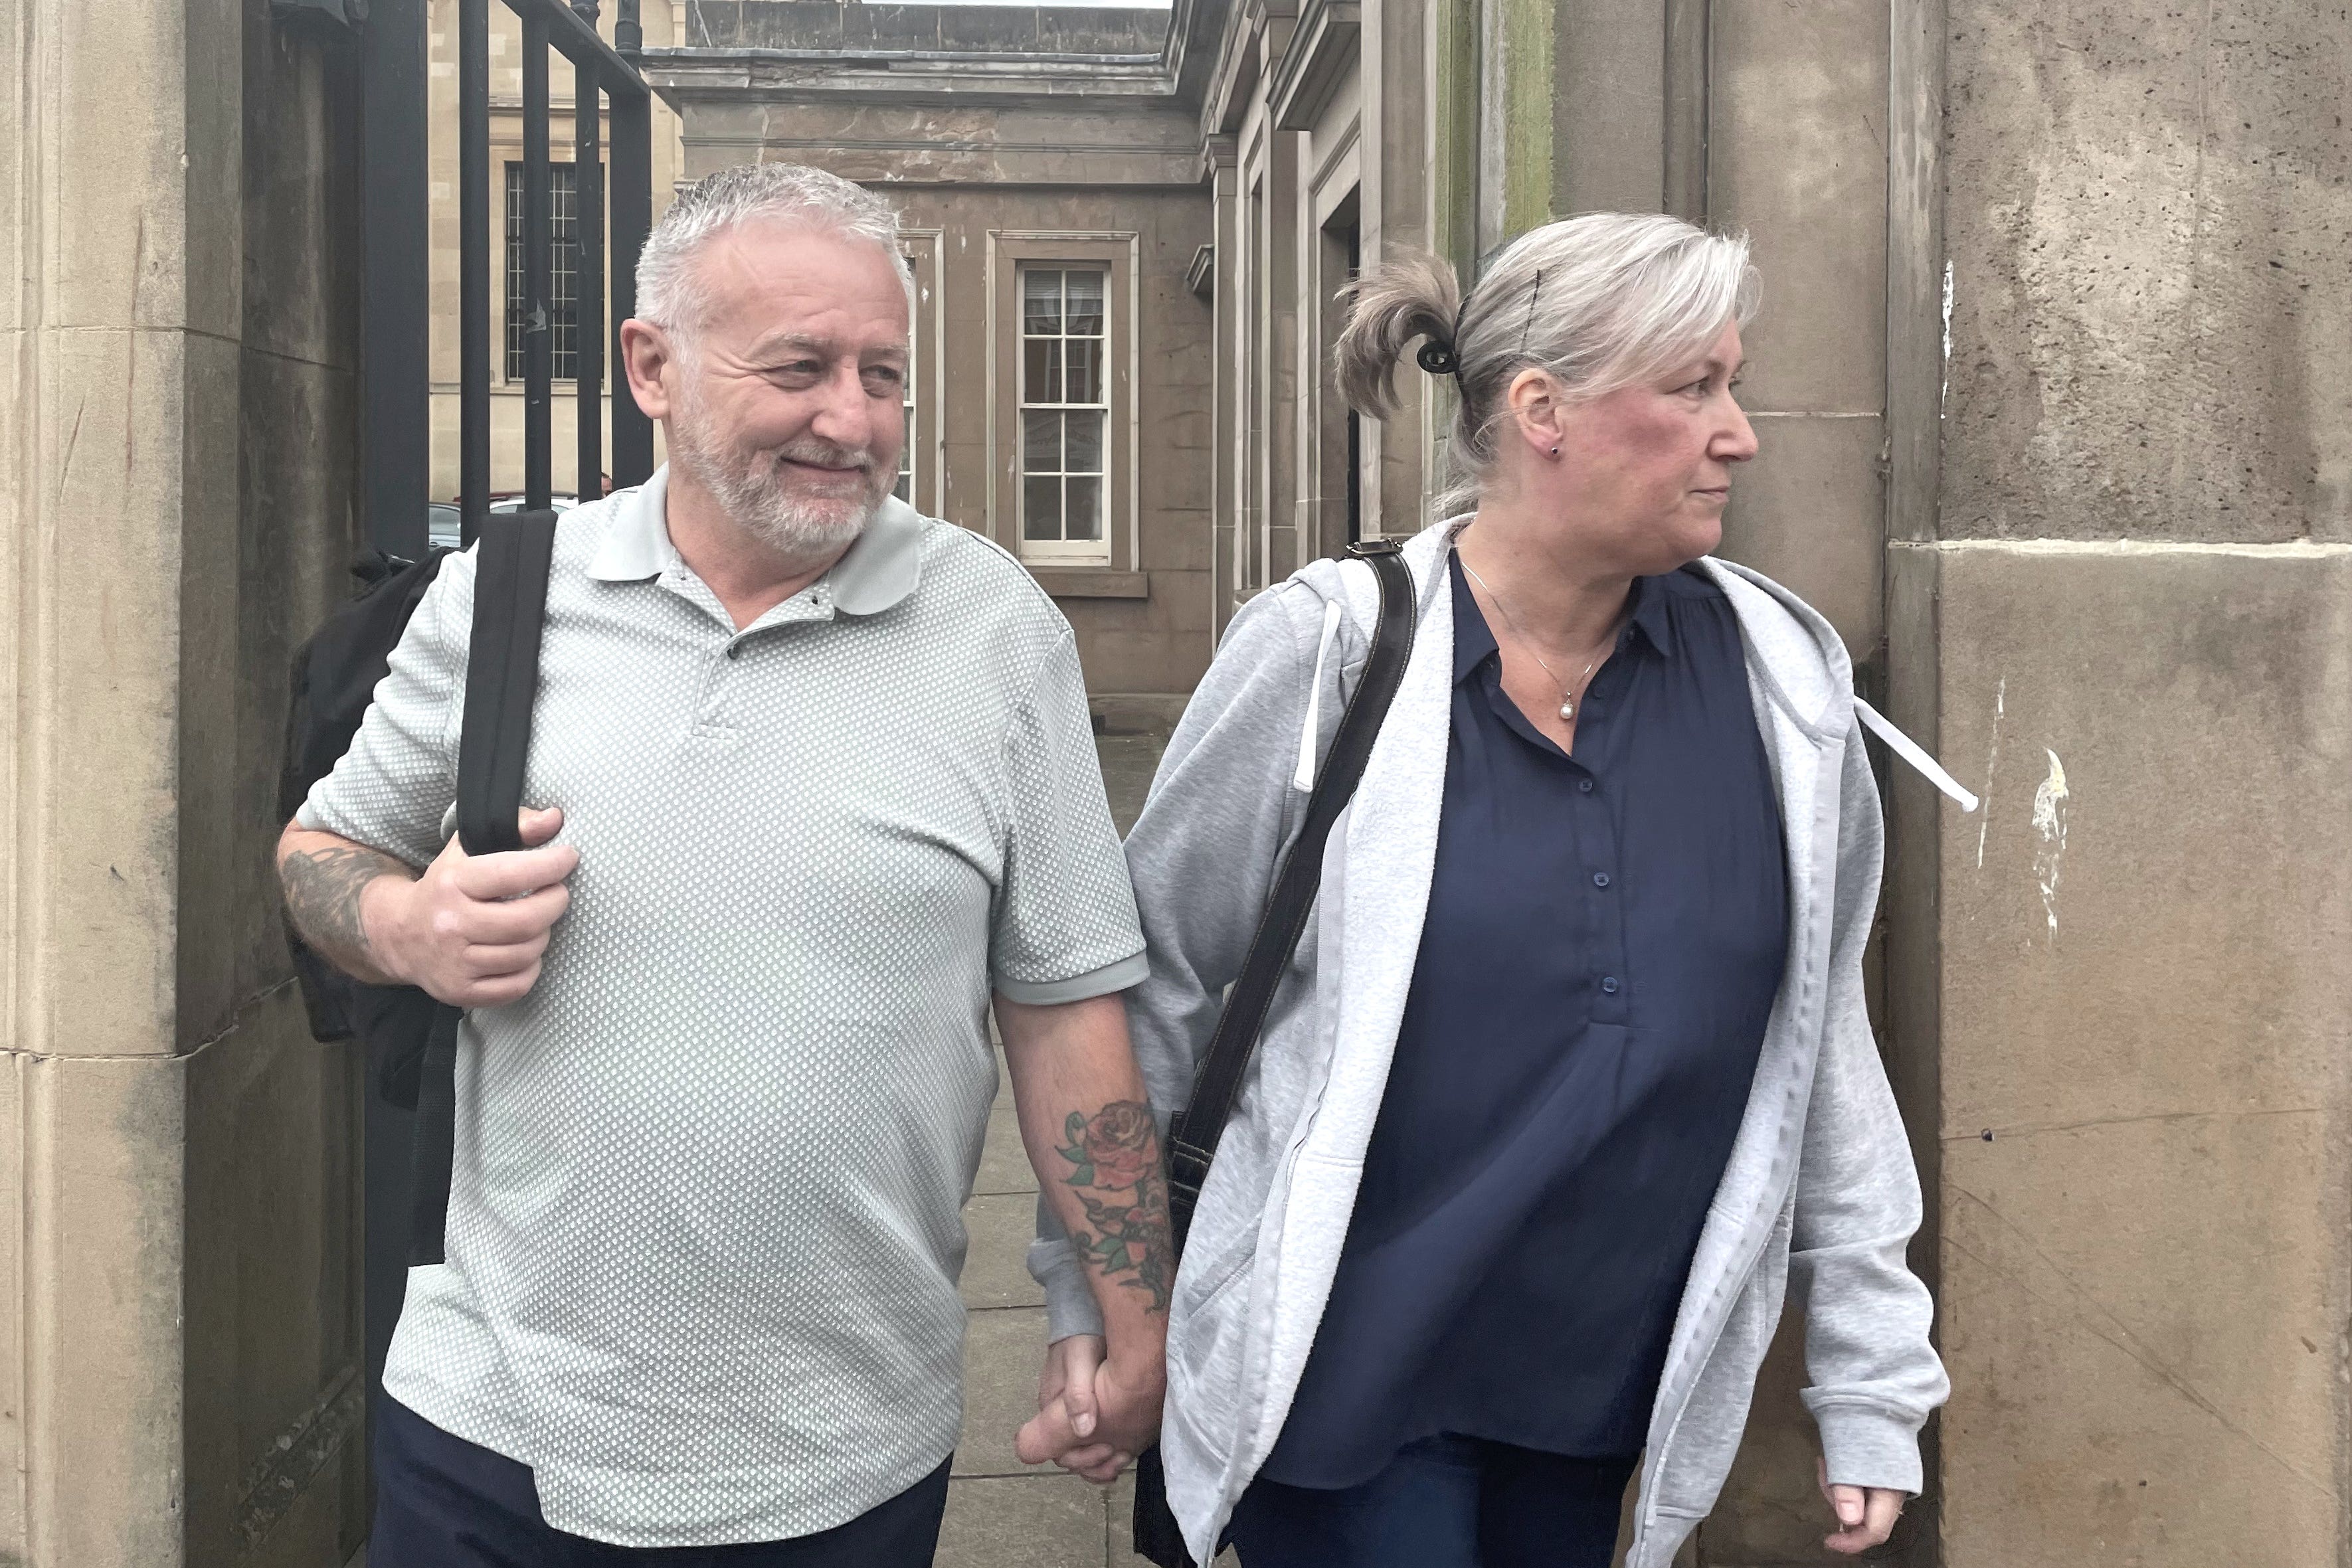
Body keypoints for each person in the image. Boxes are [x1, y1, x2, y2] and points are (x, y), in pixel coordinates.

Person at [278, 161, 1170, 1566]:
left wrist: (1132, 1319)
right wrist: (403, 922)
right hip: (490, 1429)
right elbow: (323, 849)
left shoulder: (995, 629)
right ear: (653, 365)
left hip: (844, 1450)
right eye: (801, 366)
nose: (853, 418)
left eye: (884, 373)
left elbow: (1064, 1006)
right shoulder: (506, 593)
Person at [1053, 212, 1950, 1568]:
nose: (1740, 432)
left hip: (1600, 1397)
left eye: (1736, 382)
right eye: (1694, 386)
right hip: (1346, 1384)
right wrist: (1108, 1298)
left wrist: (1871, 1368)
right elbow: (1147, 980)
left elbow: (1820, 1040)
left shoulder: (1782, 682)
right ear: (1543, 411)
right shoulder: (1330, 653)